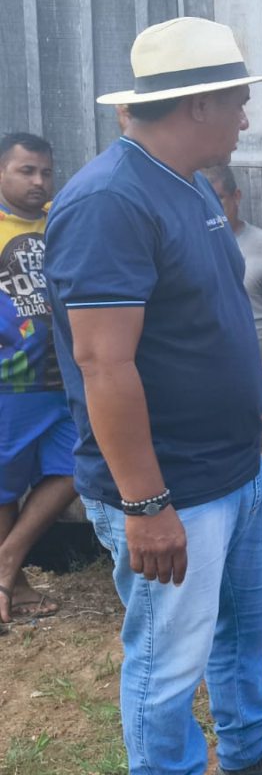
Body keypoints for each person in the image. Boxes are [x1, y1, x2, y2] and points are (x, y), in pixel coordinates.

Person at [44, 17, 262, 775]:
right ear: (199, 105)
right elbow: (102, 364)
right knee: (169, 657)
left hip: (234, 468)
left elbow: (205, 324)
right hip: (171, 486)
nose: (248, 116)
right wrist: (146, 506)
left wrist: (253, 422)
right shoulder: (110, 201)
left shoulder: (188, 189)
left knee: (247, 625)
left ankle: (250, 748)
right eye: (239, 101)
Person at [0, 132, 78, 623]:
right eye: (26, 171)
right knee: (4, 486)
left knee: (78, 463)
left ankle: (7, 563)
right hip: (12, 381)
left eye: (46, 172)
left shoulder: (60, 223)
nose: (39, 181)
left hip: (65, 375)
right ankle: (15, 581)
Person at [202, 165, 262, 388]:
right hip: (202, 386)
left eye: (218, 199)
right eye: (201, 201)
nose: (210, 209)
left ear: (236, 196)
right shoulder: (183, 248)